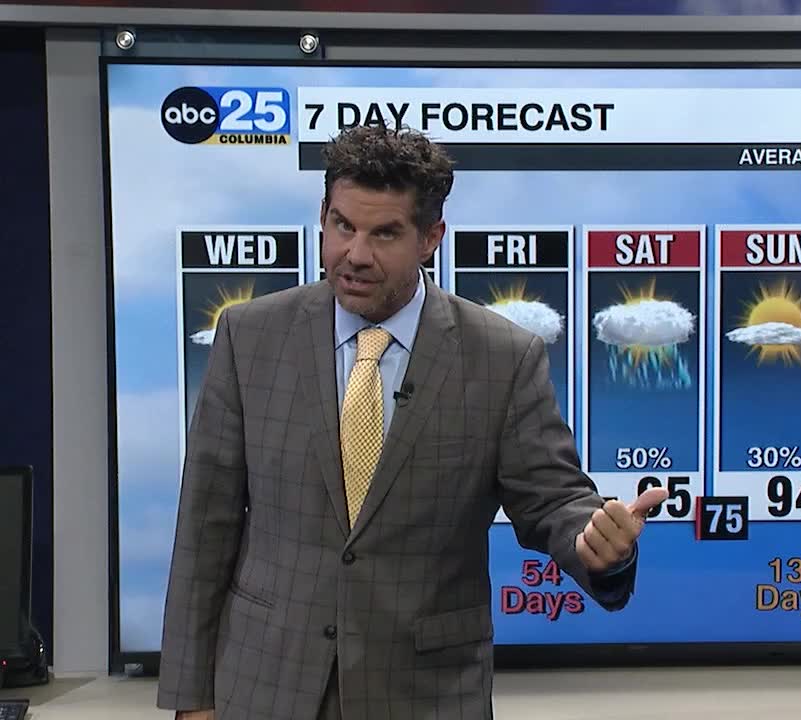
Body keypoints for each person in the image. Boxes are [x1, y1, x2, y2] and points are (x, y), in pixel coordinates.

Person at [156, 124, 666, 720]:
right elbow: (206, 526)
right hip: (265, 685)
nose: (355, 254)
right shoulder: (250, 337)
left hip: (425, 693)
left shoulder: (502, 358)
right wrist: (192, 698)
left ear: (430, 238)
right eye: (343, 225)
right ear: (322, 216)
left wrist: (597, 545)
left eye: (385, 234)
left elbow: (553, 500)